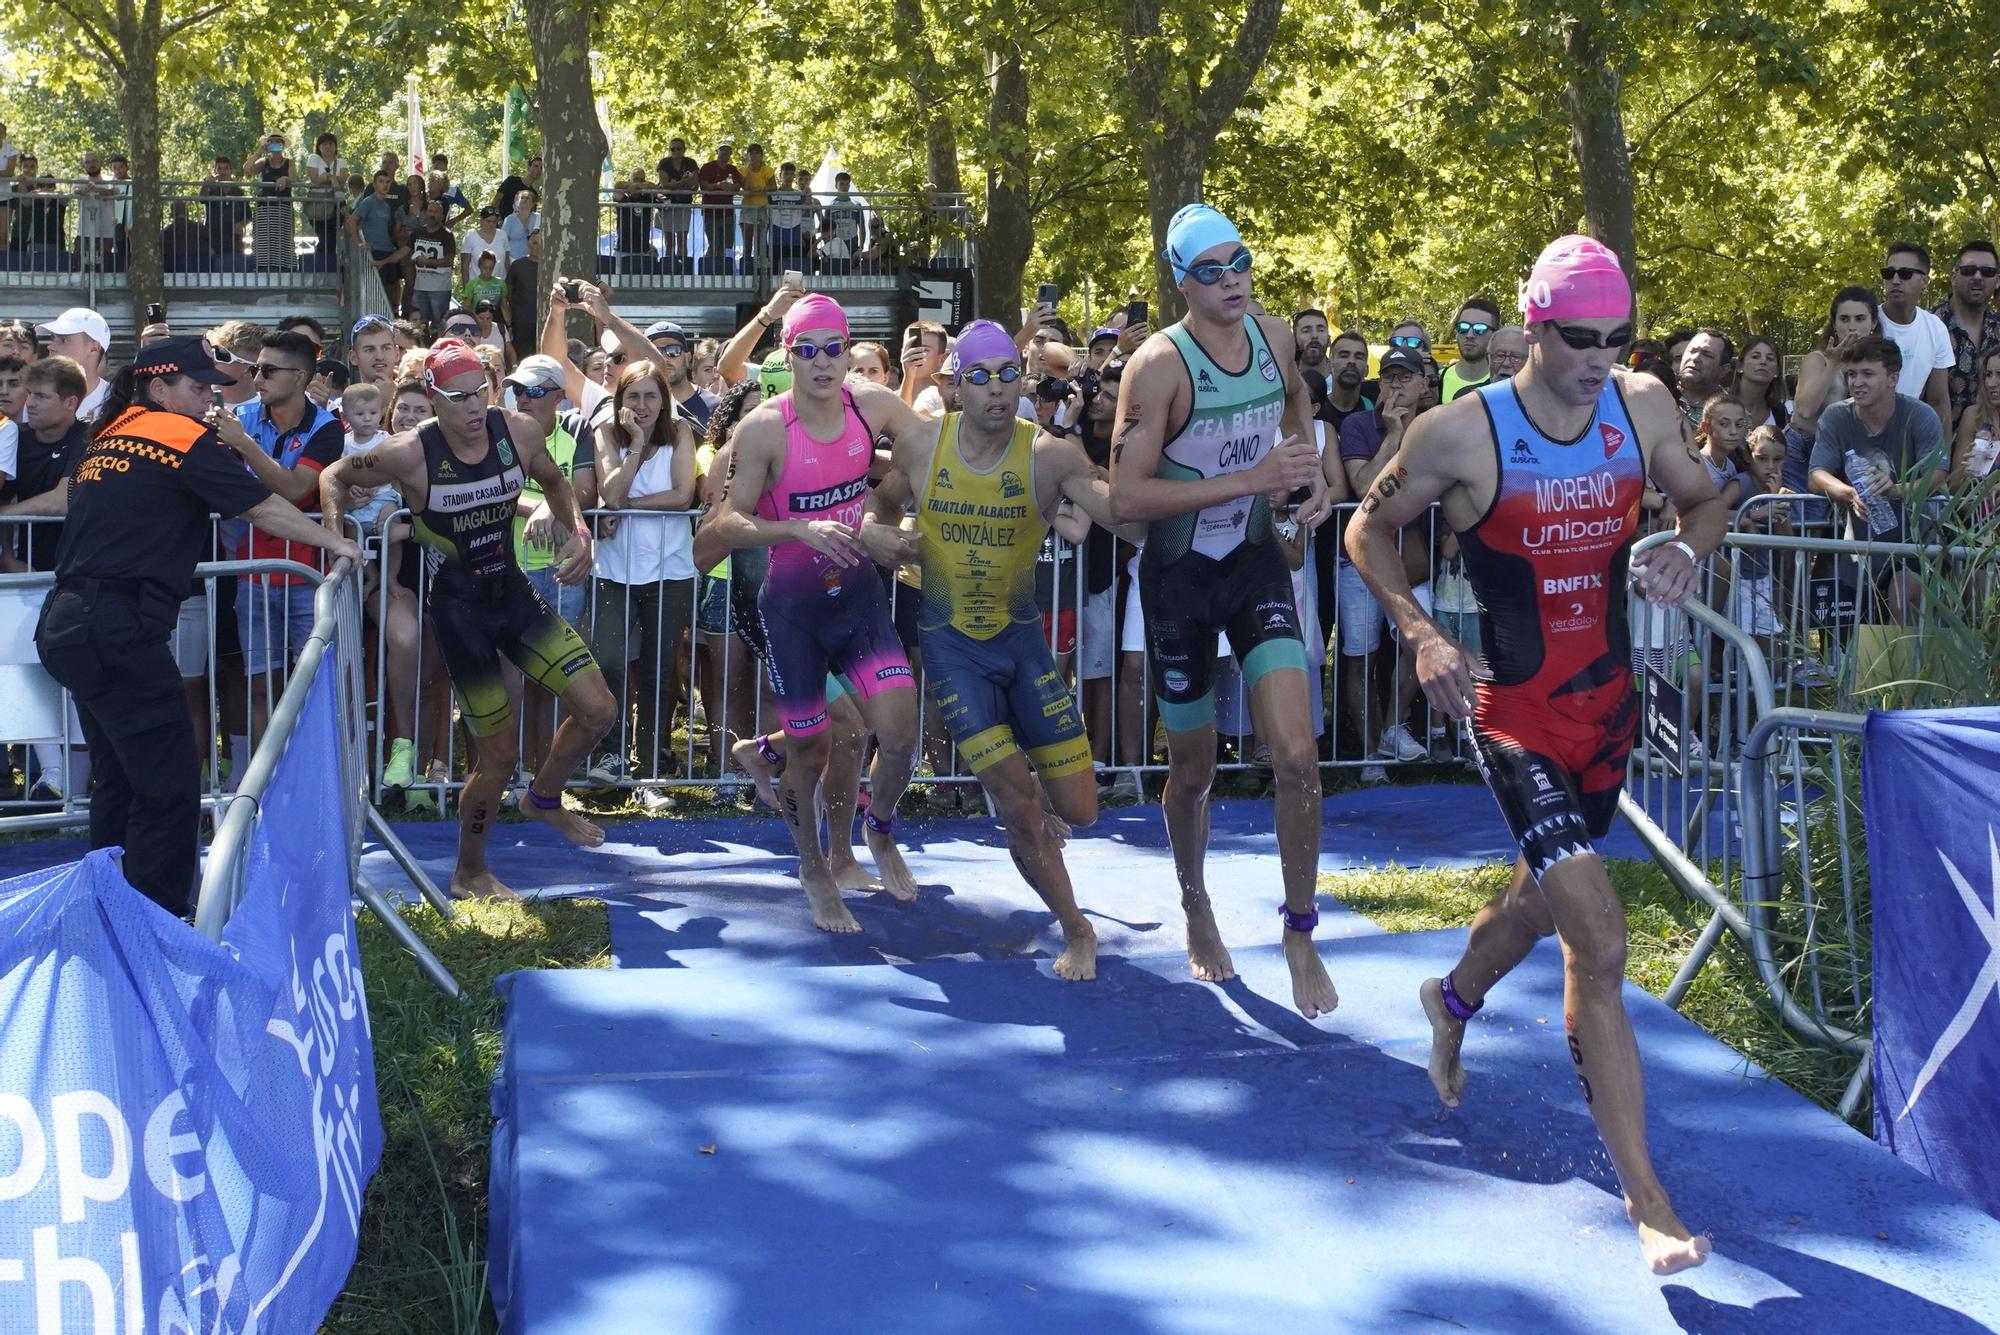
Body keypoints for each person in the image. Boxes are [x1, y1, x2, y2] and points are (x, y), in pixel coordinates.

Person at [1345, 234, 1725, 1276]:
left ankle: (1451, 998)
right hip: (1509, 712)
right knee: (1595, 943)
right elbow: (1364, 537)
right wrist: (1421, 633)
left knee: (1541, 898)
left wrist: (1686, 550)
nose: (1596, 358)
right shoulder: (1457, 432)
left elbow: (1704, 496)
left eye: (1615, 339)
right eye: (1575, 339)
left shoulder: (1641, 408)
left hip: (1605, 709)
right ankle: (1647, 1204)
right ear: (1530, 325)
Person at [16, 338, 357, 916]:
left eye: (214, 388)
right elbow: (262, 505)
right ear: (159, 387)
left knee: (121, 779)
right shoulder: (177, 435)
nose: (210, 399)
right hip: (114, 626)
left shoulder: (111, 429)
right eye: (198, 388)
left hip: (74, 623)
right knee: (170, 784)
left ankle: (113, 908)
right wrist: (334, 542)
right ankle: (161, 919)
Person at [1108, 203, 1342, 1018]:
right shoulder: (1158, 367)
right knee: (1195, 771)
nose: (1233, 279)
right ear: (1183, 282)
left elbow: (1299, 417)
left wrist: (1315, 482)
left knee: (1299, 753)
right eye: (1212, 270)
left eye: (1241, 260)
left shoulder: (1276, 338)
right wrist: (1253, 479)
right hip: (1177, 576)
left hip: (1251, 564)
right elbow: (1125, 496)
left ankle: (1299, 927)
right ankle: (1194, 899)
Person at [866, 321, 1138, 981]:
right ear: (954, 382)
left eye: (1007, 375)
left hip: (1023, 646)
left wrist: (1221, 493)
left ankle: (1042, 815)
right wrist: (879, 537)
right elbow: (877, 507)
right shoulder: (923, 444)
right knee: (1015, 798)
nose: (995, 390)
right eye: (980, 377)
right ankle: (1078, 930)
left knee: (1080, 808)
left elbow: (1121, 513)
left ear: (1023, 379)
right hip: (952, 648)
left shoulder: (1051, 455)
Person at [318, 340, 617, 899]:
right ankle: (469, 871)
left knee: (600, 708)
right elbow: (332, 476)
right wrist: (340, 540)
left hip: (513, 595)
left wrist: (576, 531)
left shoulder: (519, 431)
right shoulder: (408, 452)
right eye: (458, 397)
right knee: (497, 757)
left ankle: (544, 797)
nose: (474, 406)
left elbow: (556, 483)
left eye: (480, 390)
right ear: (433, 399)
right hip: (459, 614)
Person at [701, 294, 925, 929]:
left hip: (856, 599)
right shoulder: (766, 427)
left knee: (900, 729)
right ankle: (812, 866)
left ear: (847, 351)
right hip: (793, 611)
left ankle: (878, 829)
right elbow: (728, 524)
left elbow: (929, 450)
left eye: (833, 349)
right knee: (812, 750)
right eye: (808, 351)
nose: (823, 363)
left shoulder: (871, 405)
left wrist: (895, 505)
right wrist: (801, 529)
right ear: (788, 355)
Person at [1807, 335, 1950, 621]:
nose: (1857, 382)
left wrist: (1897, 490)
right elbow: (1816, 474)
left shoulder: (1920, 415)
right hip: (1855, 553)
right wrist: (1849, 493)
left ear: (1892, 378)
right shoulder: (1836, 416)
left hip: (1914, 547)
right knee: (1848, 641)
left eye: (1867, 374)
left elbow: (1938, 473)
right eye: (1851, 374)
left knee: (1903, 601)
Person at [1787, 286, 1878, 491]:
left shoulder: (1877, 366)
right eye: (1844, 319)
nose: (1852, 326)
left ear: (1873, 323)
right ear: (1834, 324)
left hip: (1846, 456)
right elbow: (1804, 410)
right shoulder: (1817, 360)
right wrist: (1834, 364)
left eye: (1860, 319)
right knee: (1799, 518)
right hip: (1802, 450)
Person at [1877, 241, 1955, 432]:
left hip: (1908, 436)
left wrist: (1941, 458)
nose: (1895, 280)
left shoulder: (1935, 328)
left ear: (1925, 281)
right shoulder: (1867, 321)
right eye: (1889, 273)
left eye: (1905, 274)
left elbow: (1938, 402)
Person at [1936, 240, 2000, 431]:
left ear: (1997, 281)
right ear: (1954, 276)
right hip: (1936, 452)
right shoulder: (1930, 327)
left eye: (1987, 272)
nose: (1978, 277)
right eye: (1969, 270)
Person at [34, 308, 110, 421]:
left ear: (93, 348)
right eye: (53, 339)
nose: (50, 346)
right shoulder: (32, 395)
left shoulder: (116, 399)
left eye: (64, 340)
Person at [407, 199, 457, 328]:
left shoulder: (447, 235)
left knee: (439, 324)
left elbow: (449, 260)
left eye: (436, 212)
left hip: (440, 288)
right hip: (420, 287)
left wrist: (428, 261)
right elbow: (404, 251)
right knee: (418, 324)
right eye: (430, 211)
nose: (432, 214)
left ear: (442, 215)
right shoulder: (417, 233)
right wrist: (383, 261)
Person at [1442, 297, 1501, 400]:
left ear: (1495, 334)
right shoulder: (1437, 381)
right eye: (1463, 327)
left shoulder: (1503, 384)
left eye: (1480, 329)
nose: (1469, 335)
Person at [698, 144, 741, 275]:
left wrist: (730, 187)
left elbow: (737, 186)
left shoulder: (733, 169)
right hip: (711, 213)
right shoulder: (708, 167)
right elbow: (703, 186)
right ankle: (706, 271)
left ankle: (724, 272)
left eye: (728, 151)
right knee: (714, 244)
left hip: (727, 213)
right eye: (722, 151)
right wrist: (719, 185)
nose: (725, 154)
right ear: (717, 152)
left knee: (727, 246)